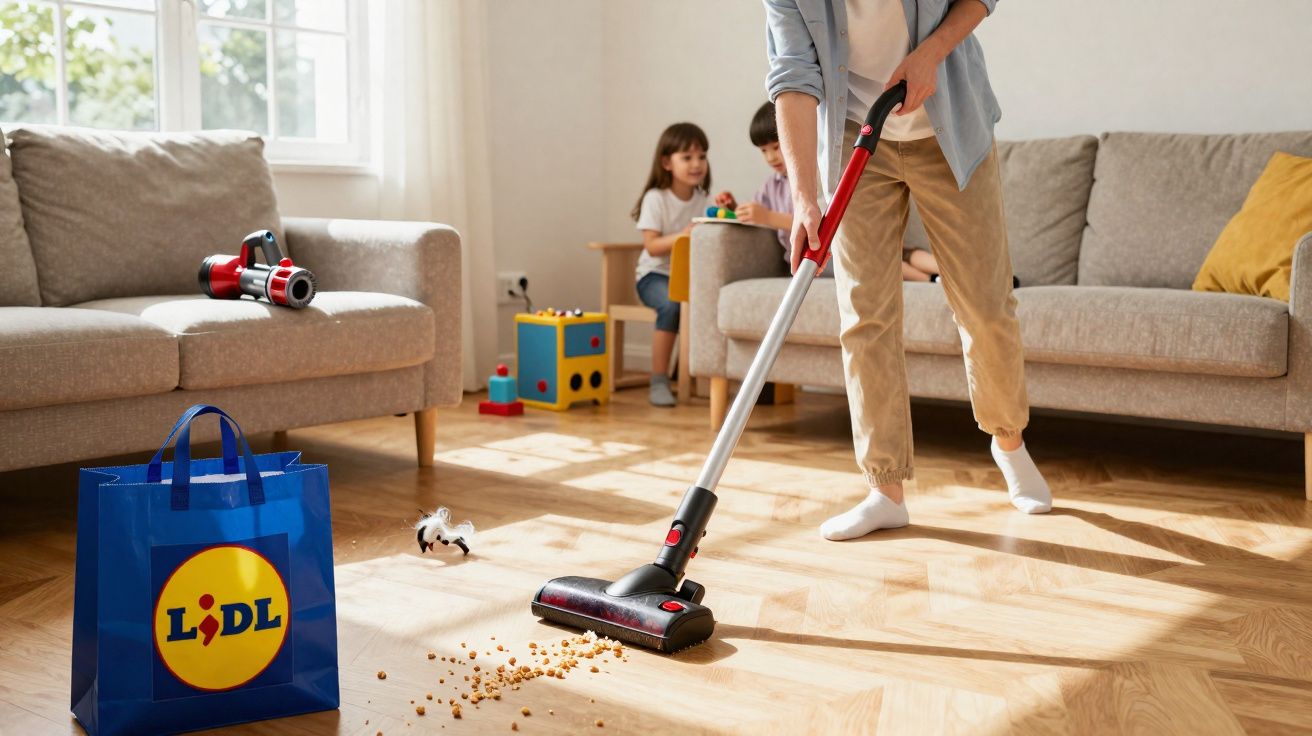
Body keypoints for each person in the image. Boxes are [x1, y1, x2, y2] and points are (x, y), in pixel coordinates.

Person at [764, 0, 1052, 540]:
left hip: (948, 129)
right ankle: (884, 488)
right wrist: (805, 196)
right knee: (864, 315)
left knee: (985, 307)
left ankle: (1008, 441)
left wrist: (931, 52)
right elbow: (793, 76)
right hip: (856, 139)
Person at [631, 122, 732, 407]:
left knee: (713, 304)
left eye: (701, 156)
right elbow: (651, 246)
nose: (696, 164)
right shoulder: (656, 198)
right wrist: (683, 235)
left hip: (689, 277)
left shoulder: (702, 200)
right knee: (671, 305)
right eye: (687, 157)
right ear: (667, 162)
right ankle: (659, 378)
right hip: (653, 276)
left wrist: (727, 208)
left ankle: (703, 376)